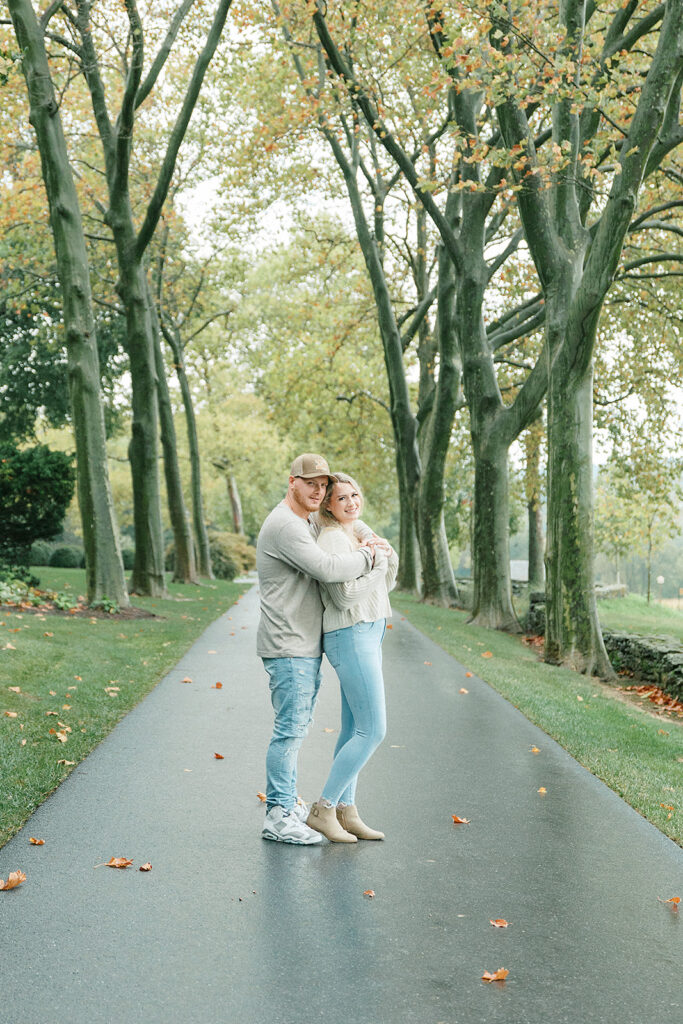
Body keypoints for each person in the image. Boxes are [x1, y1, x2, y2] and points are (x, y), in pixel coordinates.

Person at [257, 453, 386, 845]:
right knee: (291, 731)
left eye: (322, 485)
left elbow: (345, 517)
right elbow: (330, 570)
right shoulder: (286, 526)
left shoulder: (305, 519)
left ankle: (302, 806)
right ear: (291, 481)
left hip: (303, 641)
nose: (317, 490)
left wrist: (367, 536)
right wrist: (372, 556)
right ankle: (279, 814)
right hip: (289, 642)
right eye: (310, 482)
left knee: (301, 727)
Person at [306, 472, 398, 843]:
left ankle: (347, 811)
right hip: (350, 633)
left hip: (371, 631)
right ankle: (324, 809)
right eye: (341, 498)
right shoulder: (332, 538)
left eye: (355, 494)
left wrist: (385, 555)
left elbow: (386, 584)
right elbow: (344, 597)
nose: (351, 502)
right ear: (328, 504)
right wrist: (374, 563)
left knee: (351, 730)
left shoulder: (358, 532)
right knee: (373, 729)